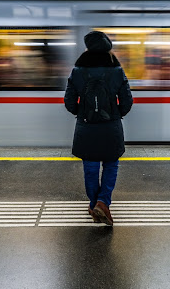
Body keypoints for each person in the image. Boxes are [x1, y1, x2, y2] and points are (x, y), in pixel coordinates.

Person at [64, 31, 133, 226]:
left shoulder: (78, 71)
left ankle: (95, 203)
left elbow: (69, 101)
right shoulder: (117, 70)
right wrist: (116, 114)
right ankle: (103, 202)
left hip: (86, 127)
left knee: (91, 167)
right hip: (111, 126)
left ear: (88, 48)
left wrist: (82, 112)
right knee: (111, 164)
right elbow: (127, 101)